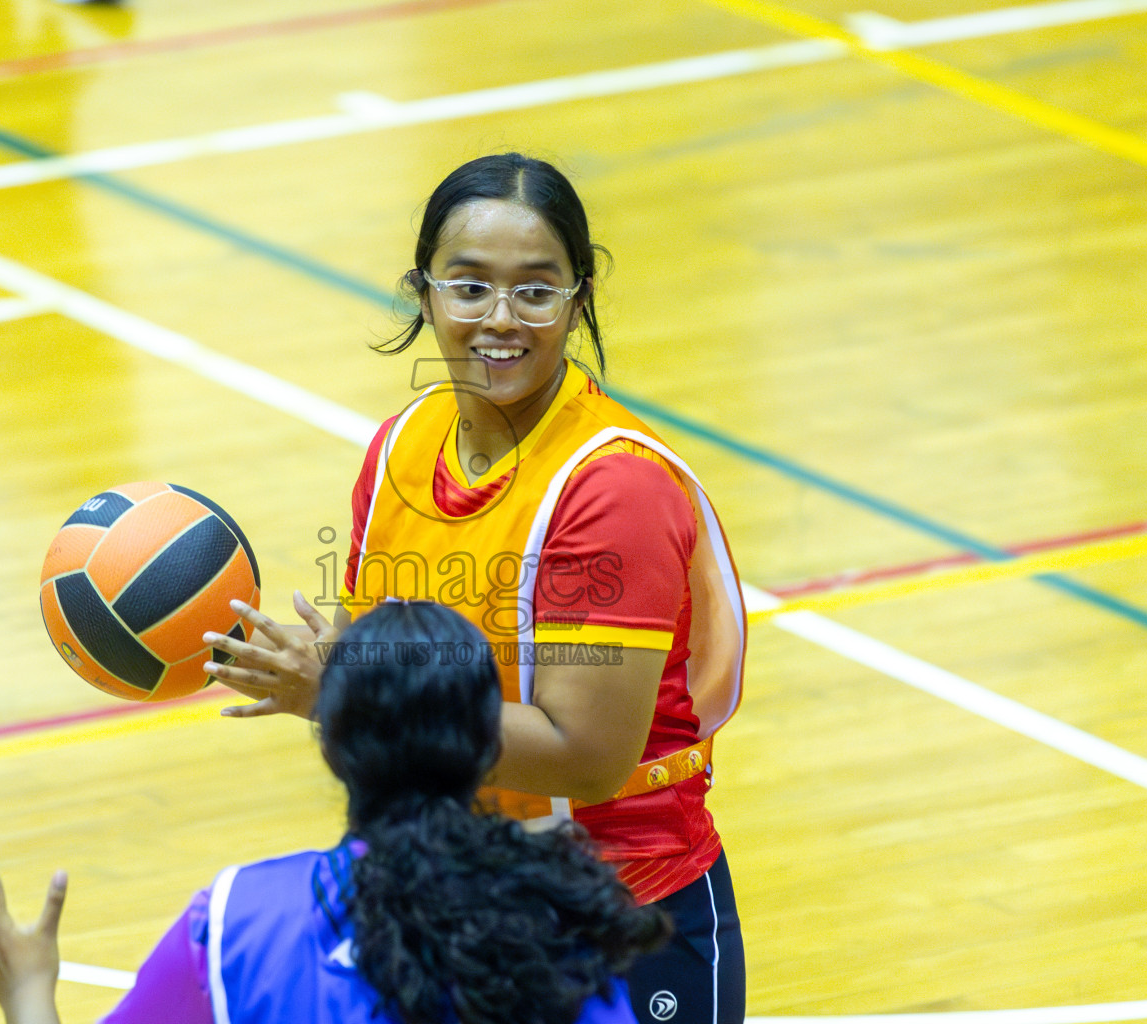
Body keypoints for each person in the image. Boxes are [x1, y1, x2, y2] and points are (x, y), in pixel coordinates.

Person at [204, 153, 749, 1024]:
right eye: (469, 287)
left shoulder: (614, 489)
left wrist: (340, 690)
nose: (501, 319)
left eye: (536, 291)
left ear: (579, 300)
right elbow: (389, 689)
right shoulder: (400, 449)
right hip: (449, 901)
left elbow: (588, 754)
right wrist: (328, 672)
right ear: (423, 293)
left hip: (619, 914)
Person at [0, 602, 670, 1024]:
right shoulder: (565, 920)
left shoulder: (241, 921)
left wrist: (26, 991)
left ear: (332, 744)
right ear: (487, 747)